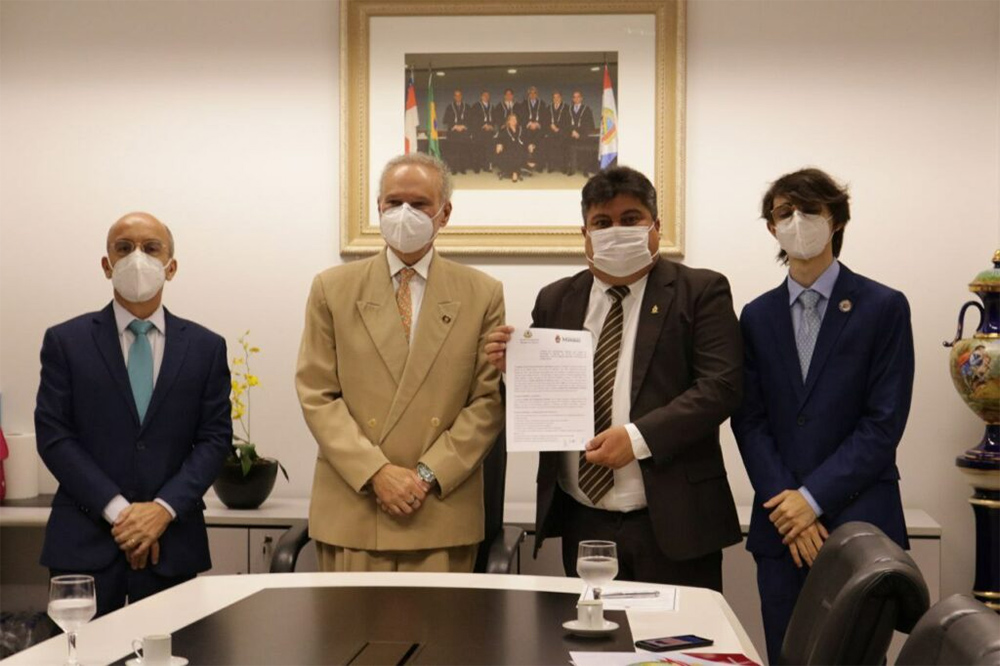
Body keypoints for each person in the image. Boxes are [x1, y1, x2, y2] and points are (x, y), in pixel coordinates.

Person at [485, 166, 743, 591]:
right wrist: (518, 371)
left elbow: (721, 388)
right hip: (582, 519)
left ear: (656, 226)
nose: (616, 231)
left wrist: (637, 439)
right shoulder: (556, 298)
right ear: (585, 234)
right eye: (602, 223)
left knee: (677, 635)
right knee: (590, 634)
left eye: (630, 219)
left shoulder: (700, 291)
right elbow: (551, 397)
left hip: (672, 522)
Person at [731, 167, 914, 662]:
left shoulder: (884, 307)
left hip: (859, 527)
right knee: (785, 656)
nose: (797, 220)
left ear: (837, 219)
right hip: (781, 531)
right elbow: (749, 420)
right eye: (785, 212)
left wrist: (811, 499)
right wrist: (788, 506)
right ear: (771, 227)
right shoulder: (756, 315)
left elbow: (883, 424)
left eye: (810, 209)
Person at [296, 153, 504, 573]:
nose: (404, 213)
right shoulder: (331, 289)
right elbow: (317, 394)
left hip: (440, 511)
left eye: (420, 204)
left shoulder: (482, 293)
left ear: (444, 214)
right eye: (394, 202)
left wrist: (424, 475)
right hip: (355, 508)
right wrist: (377, 473)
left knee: (443, 621)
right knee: (348, 621)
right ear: (378, 208)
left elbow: (487, 403)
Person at [35, 212, 232, 617]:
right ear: (106, 265)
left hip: (173, 544)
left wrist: (162, 509)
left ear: (171, 267)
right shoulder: (66, 342)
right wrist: (120, 513)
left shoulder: (206, 348)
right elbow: (55, 437)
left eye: (151, 248)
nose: (136, 257)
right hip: (84, 544)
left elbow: (214, 440)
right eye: (124, 248)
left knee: (175, 648)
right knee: (79, 650)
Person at [514, 86, 547, 170]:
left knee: (541, 142)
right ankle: (526, 164)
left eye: (534, 93)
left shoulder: (542, 104)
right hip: (527, 129)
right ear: (528, 94)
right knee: (525, 141)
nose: (532, 94)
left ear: (537, 94)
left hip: (538, 129)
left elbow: (545, 117)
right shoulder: (523, 104)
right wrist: (529, 123)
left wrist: (537, 124)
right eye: (530, 93)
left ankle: (539, 165)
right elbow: (521, 117)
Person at [441, 89, 472, 174]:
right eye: (456, 95)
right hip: (453, 134)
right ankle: (454, 168)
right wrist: (454, 126)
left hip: (463, 133)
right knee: (453, 152)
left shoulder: (467, 106)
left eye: (459, 95)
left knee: (463, 151)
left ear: (461, 96)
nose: (458, 97)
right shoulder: (449, 107)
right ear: (454, 97)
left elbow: (471, 119)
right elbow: (445, 120)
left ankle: (462, 168)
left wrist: (463, 126)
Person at [568, 90, 596, 175]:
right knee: (570, 148)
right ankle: (572, 169)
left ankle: (585, 170)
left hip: (583, 135)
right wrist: (572, 131)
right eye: (574, 97)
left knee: (585, 152)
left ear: (581, 98)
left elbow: (590, 124)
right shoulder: (569, 109)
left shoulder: (586, 109)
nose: (576, 99)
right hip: (571, 134)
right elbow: (566, 123)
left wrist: (579, 134)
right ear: (572, 99)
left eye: (578, 97)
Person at [470, 90, 497, 173]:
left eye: (488, 95)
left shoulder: (492, 106)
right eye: (484, 95)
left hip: (489, 132)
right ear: (481, 97)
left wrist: (491, 126)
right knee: (478, 150)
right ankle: (476, 167)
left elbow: (495, 118)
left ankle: (486, 166)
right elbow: (473, 119)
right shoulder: (476, 106)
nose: (486, 97)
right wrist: (483, 125)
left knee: (488, 150)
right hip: (479, 132)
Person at [495, 113, 527, 182]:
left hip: (519, 147)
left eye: (515, 119)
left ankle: (514, 172)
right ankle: (515, 172)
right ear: (508, 121)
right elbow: (499, 139)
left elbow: (526, 139)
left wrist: (530, 145)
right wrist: (499, 144)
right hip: (507, 148)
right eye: (512, 119)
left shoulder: (521, 129)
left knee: (517, 151)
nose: (514, 121)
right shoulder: (504, 130)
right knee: (511, 152)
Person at [545, 91, 571, 174]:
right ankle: (551, 166)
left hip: (562, 132)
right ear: (552, 99)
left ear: (561, 98)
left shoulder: (566, 108)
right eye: (554, 97)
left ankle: (563, 167)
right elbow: (545, 120)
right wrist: (551, 126)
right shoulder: (549, 108)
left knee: (562, 147)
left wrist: (559, 129)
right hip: (551, 132)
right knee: (551, 147)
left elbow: (568, 121)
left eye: (558, 97)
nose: (556, 99)